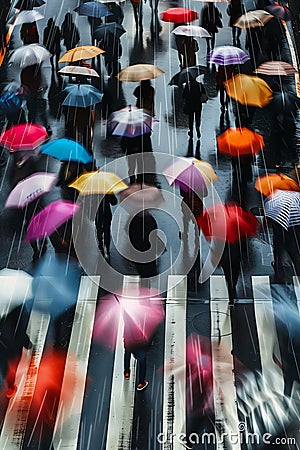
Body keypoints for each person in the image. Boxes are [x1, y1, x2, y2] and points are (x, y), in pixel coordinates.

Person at [0, 305, 32, 398]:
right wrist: (27, 344)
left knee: (7, 369)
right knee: (8, 369)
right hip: (11, 349)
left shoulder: (7, 320)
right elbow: (21, 334)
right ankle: (11, 386)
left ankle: (11, 386)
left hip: (8, 348)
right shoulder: (18, 317)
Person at [20, 63, 51, 134]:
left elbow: (23, 78)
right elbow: (41, 79)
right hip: (35, 90)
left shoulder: (25, 68)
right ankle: (44, 126)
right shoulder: (36, 67)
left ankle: (32, 125)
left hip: (30, 90)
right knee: (39, 110)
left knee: (31, 110)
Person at [95, 194, 117, 260]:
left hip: (98, 213)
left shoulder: (94, 191)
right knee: (106, 230)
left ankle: (101, 245)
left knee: (99, 229)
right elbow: (114, 202)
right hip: (106, 214)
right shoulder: (108, 191)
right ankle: (105, 246)